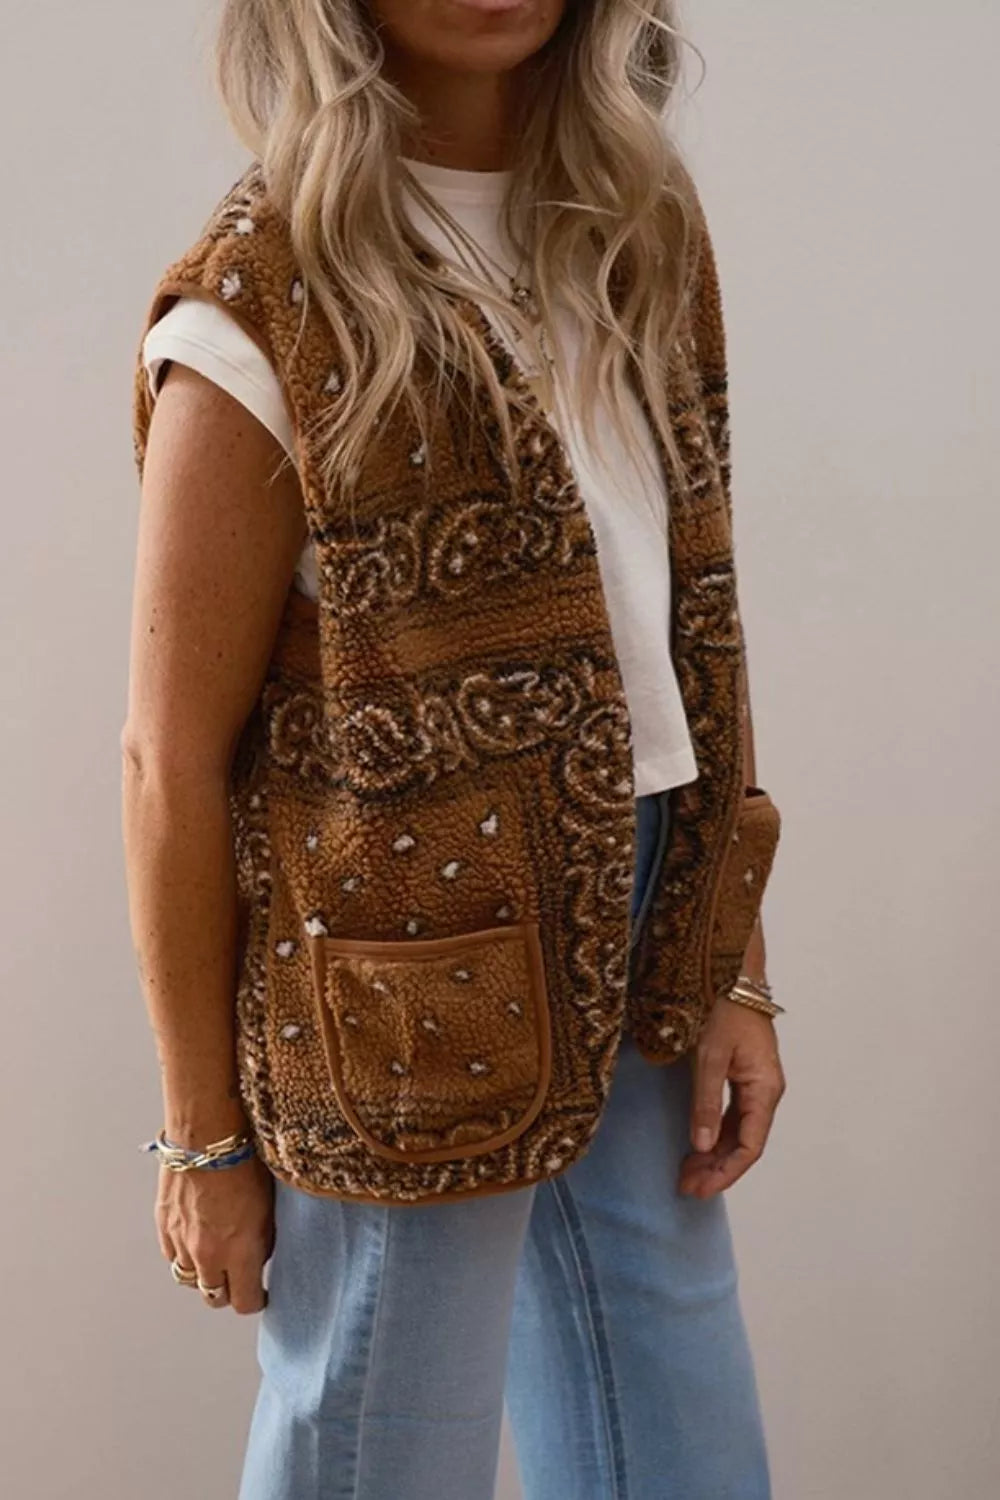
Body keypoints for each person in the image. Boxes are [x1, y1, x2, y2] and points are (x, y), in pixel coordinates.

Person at [122, 2, 787, 1496]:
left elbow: (695, 617)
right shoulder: (262, 298)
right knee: (379, 1442)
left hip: (651, 906)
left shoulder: (634, 232)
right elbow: (168, 759)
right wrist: (200, 1138)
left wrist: (731, 956)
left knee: (677, 1431)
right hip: (405, 975)